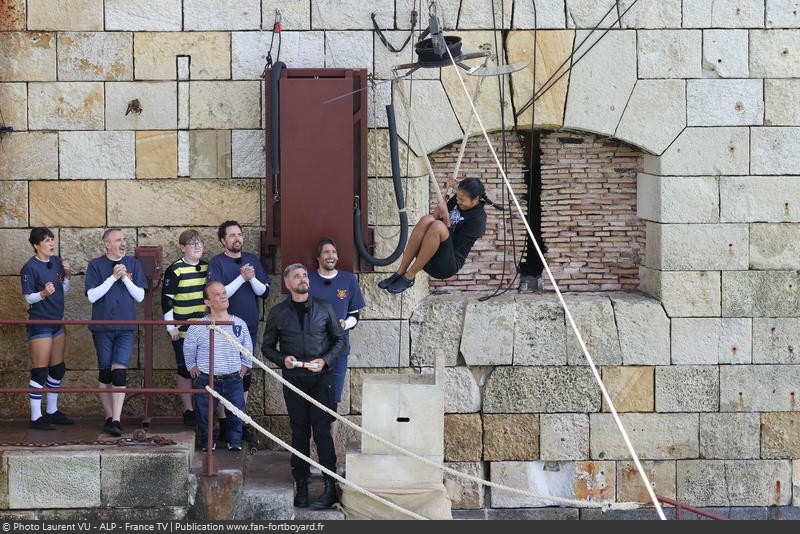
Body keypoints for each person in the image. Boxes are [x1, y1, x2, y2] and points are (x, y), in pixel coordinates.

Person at [262, 263, 345, 510]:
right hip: (295, 380)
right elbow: (267, 347)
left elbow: (339, 341)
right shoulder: (278, 313)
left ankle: (330, 488)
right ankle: (302, 486)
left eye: (305, 275)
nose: (303, 279)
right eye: (297, 276)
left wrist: (325, 361)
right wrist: (282, 360)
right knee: (299, 433)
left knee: (322, 433)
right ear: (287, 284)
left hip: (322, 380)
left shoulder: (324, 307)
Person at [378, 177, 497, 294]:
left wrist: (446, 216)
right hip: (427, 254)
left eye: (462, 200)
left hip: (445, 265)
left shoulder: (478, 220)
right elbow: (434, 217)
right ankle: (401, 271)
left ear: (476, 199)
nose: (458, 201)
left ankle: (409, 277)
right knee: (427, 219)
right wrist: (447, 192)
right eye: (457, 198)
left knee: (438, 226)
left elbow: (453, 243)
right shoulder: (458, 199)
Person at [208, 220, 270, 442]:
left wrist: (251, 278)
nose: (237, 239)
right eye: (232, 235)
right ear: (223, 240)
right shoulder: (217, 263)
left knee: (244, 376)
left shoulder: (252, 260)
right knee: (224, 375)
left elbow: (264, 292)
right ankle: (225, 422)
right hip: (224, 328)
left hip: (249, 328)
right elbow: (219, 295)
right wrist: (241, 278)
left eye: (239, 234)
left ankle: (239, 420)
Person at [85, 228, 147, 437]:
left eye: (124, 240)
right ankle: (109, 416)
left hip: (125, 328)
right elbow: (92, 296)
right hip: (102, 328)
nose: (123, 243)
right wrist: (112, 278)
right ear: (107, 244)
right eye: (118, 240)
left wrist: (125, 278)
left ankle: (117, 420)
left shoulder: (134, 265)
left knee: (119, 372)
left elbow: (139, 296)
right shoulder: (96, 265)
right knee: (105, 372)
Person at [307, 237, 365, 442]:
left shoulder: (348, 280)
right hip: (312, 351)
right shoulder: (308, 279)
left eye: (333, 252)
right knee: (311, 402)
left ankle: (328, 454)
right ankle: (312, 453)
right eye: (326, 252)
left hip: (338, 352)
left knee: (332, 402)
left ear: (338, 256)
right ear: (318, 257)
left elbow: (355, 316)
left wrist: (344, 324)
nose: (330, 256)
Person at [183, 281, 252, 452]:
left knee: (236, 411)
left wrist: (246, 364)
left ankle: (235, 440)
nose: (223, 296)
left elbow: (247, 346)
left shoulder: (239, 324)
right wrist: (191, 365)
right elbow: (189, 347)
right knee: (205, 413)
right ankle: (208, 441)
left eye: (224, 293)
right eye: (217, 294)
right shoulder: (198, 326)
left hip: (233, 376)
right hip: (207, 376)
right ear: (207, 302)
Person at [20, 227, 74, 430]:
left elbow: (62, 290)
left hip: (56, 322)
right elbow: (28, 298)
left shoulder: (57, 262)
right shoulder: (30, 267)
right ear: (36, 245)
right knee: (40, 371)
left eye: (52, 239)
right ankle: (36, 417)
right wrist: (42, 294)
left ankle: (51, 411)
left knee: (57, 369)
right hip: (40, 322)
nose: (51, 243)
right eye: (46, 240)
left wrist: (67, 275)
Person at [161, 229, 208, 427]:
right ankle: (189, 409)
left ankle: (203, 409)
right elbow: (166, 300)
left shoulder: (207, 267)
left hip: (204, 329)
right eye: (192, 244)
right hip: (182, 330)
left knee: (205, 369)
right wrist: (171, 327)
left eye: (199, 244)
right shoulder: (175, 269)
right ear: (182, 247)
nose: (197, 247)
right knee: (184, 369)